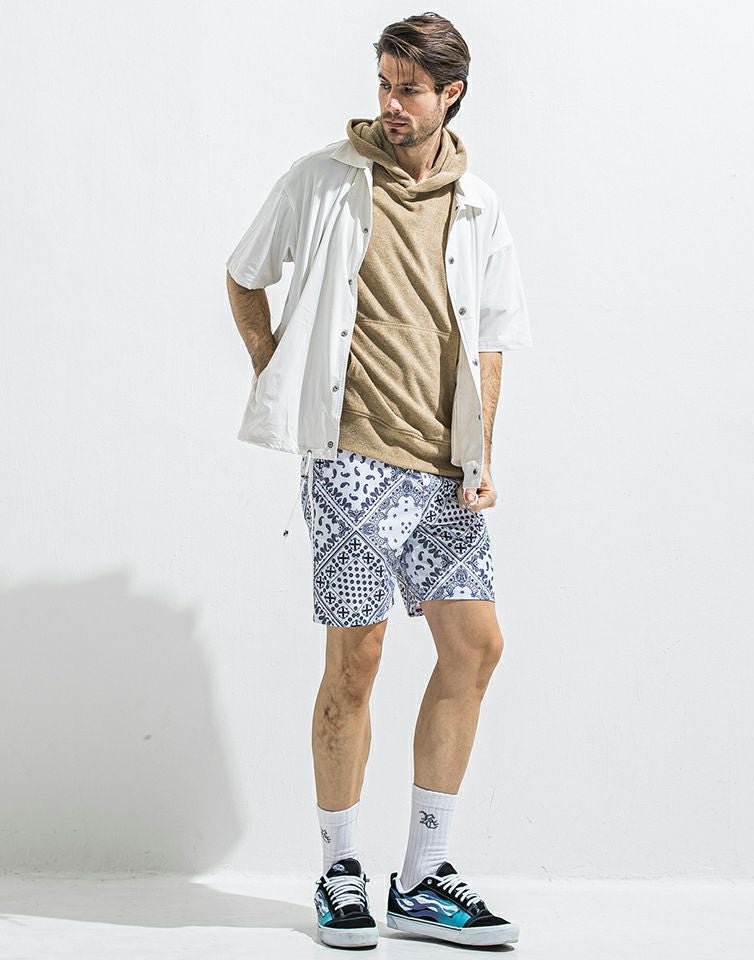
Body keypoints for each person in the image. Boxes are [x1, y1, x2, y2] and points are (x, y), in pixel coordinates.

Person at [226, 12, 532, 951]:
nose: (391, 105)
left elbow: (491, 338)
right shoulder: (324, 179)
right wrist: (276, 375)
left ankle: (425, 878)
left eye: (410, 89)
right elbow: (244, 276)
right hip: (352, 461)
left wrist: (483, 458)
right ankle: (340, 871)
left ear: (451, 95)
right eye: (385, 84)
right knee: (355, 665)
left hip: (445, 472)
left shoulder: (478, 204)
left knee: (475, 649)